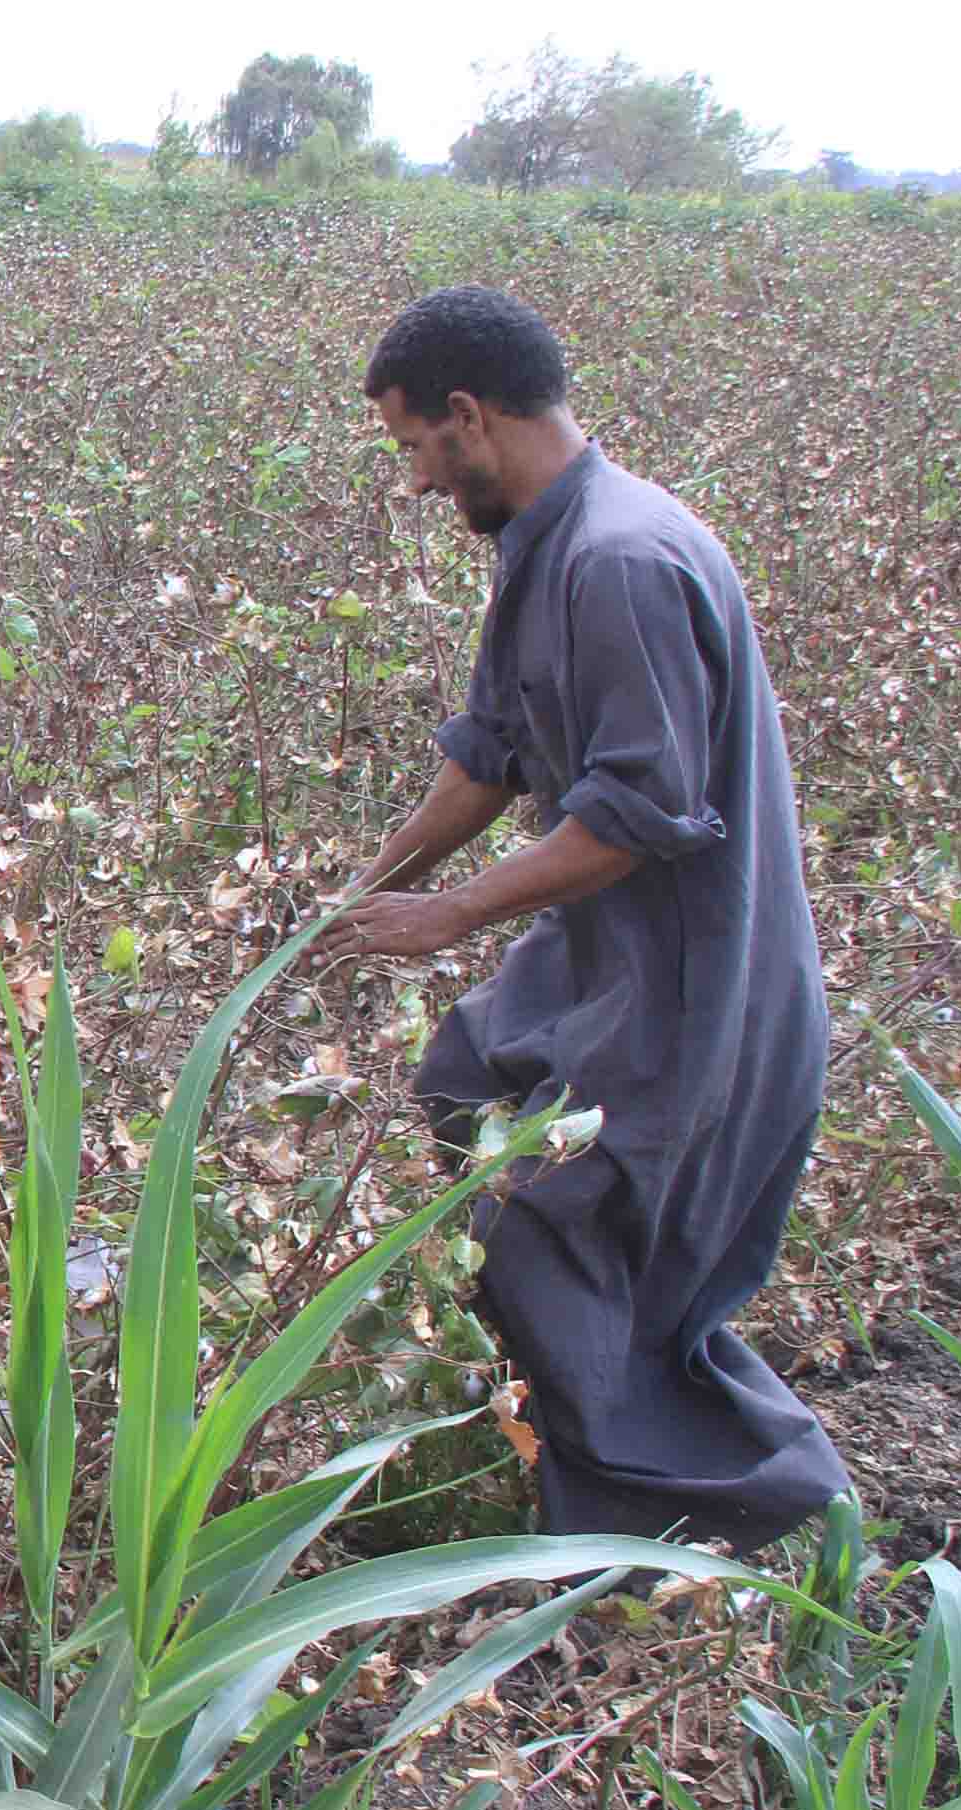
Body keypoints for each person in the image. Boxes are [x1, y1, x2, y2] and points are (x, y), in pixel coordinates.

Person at [331, 285, 845, 1548]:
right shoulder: (547, 547)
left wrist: (447, 913)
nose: (411, 482)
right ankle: (627, 1489)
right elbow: (493, 754)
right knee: (466, 1077)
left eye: (411, 447)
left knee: (567, 1240)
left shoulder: (621, 561)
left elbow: (633, 815)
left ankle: (726, 1517)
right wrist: (361, 892)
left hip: (694, 992)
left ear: (469, 415)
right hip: (609, 967)